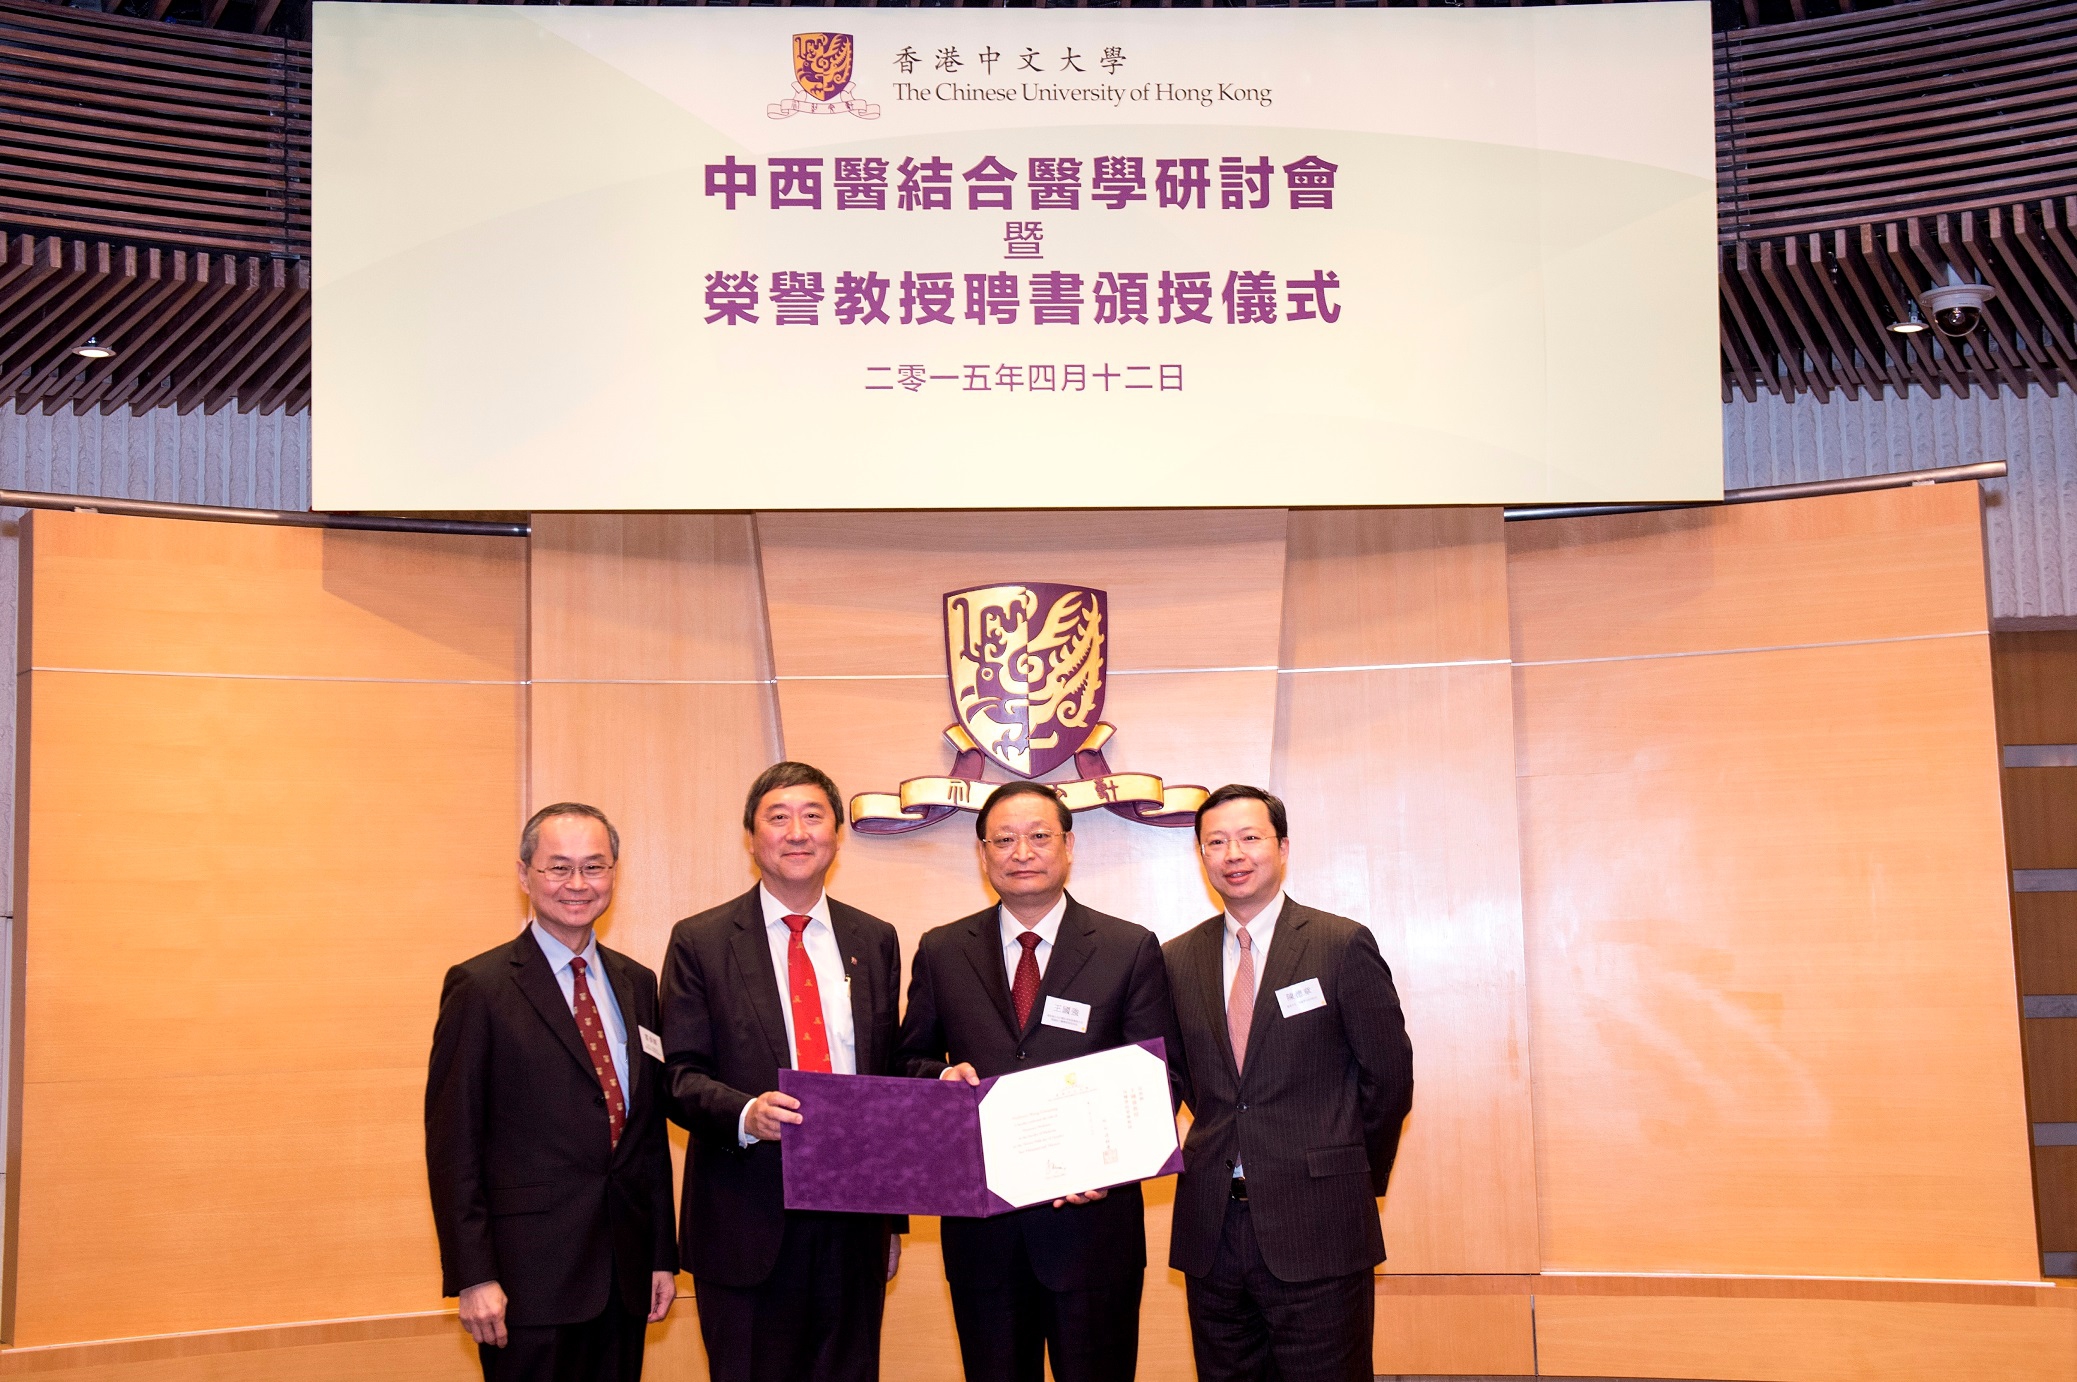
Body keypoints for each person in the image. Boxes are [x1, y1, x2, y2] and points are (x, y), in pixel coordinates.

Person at [897, 779, 1171, 1382]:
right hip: (982, 1232)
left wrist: (1113, 1164)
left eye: (1040, 836)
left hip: (1093, 1230)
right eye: (1005, 839)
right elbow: (908, 1060)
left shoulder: (1129, 948)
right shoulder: (942, 949)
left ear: (1068, 845)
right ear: (983, 853)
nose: (1023, 852)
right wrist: (941, 1076)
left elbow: (1158, 1079)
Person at [660, 761, 905, 1382]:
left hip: (854, 1227)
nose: (797, 832)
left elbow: (888, 1077)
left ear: (837, 835)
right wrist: (746, 1113)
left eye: (813, 815)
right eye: (778, 817)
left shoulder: (873, 939)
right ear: (752, 837)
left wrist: (892, 1218)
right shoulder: (701, 941)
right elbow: (679, 1075)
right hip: (746, 1222)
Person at [1163, 784, 1414, 1382]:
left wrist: (1348, 1171)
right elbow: (1174, 1077)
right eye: (1216, 842)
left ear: (1282, 847)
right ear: (1202, 856)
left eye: (1250, 838)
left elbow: (1388, 1078)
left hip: (1321, 1220)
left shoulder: (1339, 943)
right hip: (1213, 1229)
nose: (1234, 854)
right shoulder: (1176, 958)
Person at [425, 803, 679, 1382]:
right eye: (557, 867)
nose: (578, 884)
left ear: (614, 874)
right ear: (523, 875)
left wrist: (662, 1254)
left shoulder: (637, 983)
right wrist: (473, 1274)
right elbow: (453, 1144)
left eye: (594, 867)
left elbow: (646, 1134)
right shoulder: (480, 987)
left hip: (624, 1270)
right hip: (525, 1281)